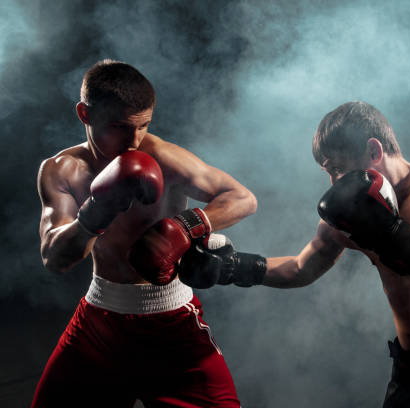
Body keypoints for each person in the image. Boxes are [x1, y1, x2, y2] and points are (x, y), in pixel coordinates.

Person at [177, 101, 410, 407]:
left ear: (374, 150)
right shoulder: (349, 213)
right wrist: (232, 269)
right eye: (328, 173)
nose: (334, 182)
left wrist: (391, 234)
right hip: (409, 369)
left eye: (338, 168)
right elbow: (300, 267)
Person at [33, 59, 256, 408]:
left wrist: (186, 226)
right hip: (99, 322)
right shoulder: (61, 170)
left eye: (143, 125)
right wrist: (96, 212)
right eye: (120, 126)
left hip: (171, 322)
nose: (134, 141)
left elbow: (243, 198)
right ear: (84, 114)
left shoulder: (164, 157)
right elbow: (54, 257)